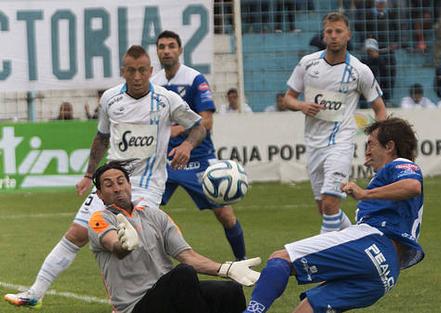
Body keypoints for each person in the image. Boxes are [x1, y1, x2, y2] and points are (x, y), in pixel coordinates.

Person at [4, 45, 207, 308]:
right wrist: (90, 175)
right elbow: (102, 136)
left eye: (142, 70)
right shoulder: (110, 98)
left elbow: (198, 126)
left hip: (145, 185)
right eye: (131, 70)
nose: (136, 76)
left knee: (134, 240)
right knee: (77, 233)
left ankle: (135, 303)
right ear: (123, 71)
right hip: (110, 180)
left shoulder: (167, 100)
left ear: (150, 71)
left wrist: (188, 145)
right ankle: (36, 292)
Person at [242, 117, 424, 313]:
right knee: (305, 310)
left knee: (281, 259)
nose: (367, 151)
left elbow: (413, 186)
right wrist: (335, 215)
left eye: (371, 144)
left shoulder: (401, 164)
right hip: (386, 275)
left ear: (389, 146)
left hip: (375, 246)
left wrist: (365, 194)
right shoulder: (387, 188)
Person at [87, 161, 260, 313]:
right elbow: (114, 246)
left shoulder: (156, 215)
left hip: (169, 294)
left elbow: (188, 256)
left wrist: (227, 269)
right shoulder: (100, 219)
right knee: (183, 274)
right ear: (100, 194)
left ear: (130, 185)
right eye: (108, 185)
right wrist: (124, 245)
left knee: (231, 291)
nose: (117, 188)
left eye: (120, 181)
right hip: (136, 305)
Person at [284, 12, 387, 233]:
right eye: (329, 32)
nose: (333, 36)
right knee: (324, 208)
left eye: (338, 31)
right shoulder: (308, 64)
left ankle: (324, 257)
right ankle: (356, 238)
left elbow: (379, 109)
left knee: (331, 203)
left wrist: (378, 141)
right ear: (323, 35)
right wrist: (302, 106)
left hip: (341, 143)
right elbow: (288, 98)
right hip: (313, 145)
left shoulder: (359, 71)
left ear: (348, 35)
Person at [151, 30, 247, 261]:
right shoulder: (153, 83)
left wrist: (179, 131)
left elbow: (207, 121)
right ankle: (150, 267)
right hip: (164, 160)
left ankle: (242, 262)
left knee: (224, 214)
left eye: (171, 46)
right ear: (157, 51)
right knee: (145, 210)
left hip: (198, 157)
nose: (166, 50)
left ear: (180, 50)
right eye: (162, 46)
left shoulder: (194, 79)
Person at [360, 38, 396, 103]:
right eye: (369, 51)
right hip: (368, 86)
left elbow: (388, 71)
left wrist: (377, 57)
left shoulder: (386, 59)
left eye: (372, 50)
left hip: (382, 85)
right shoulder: (363, 60)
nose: (370, 53)